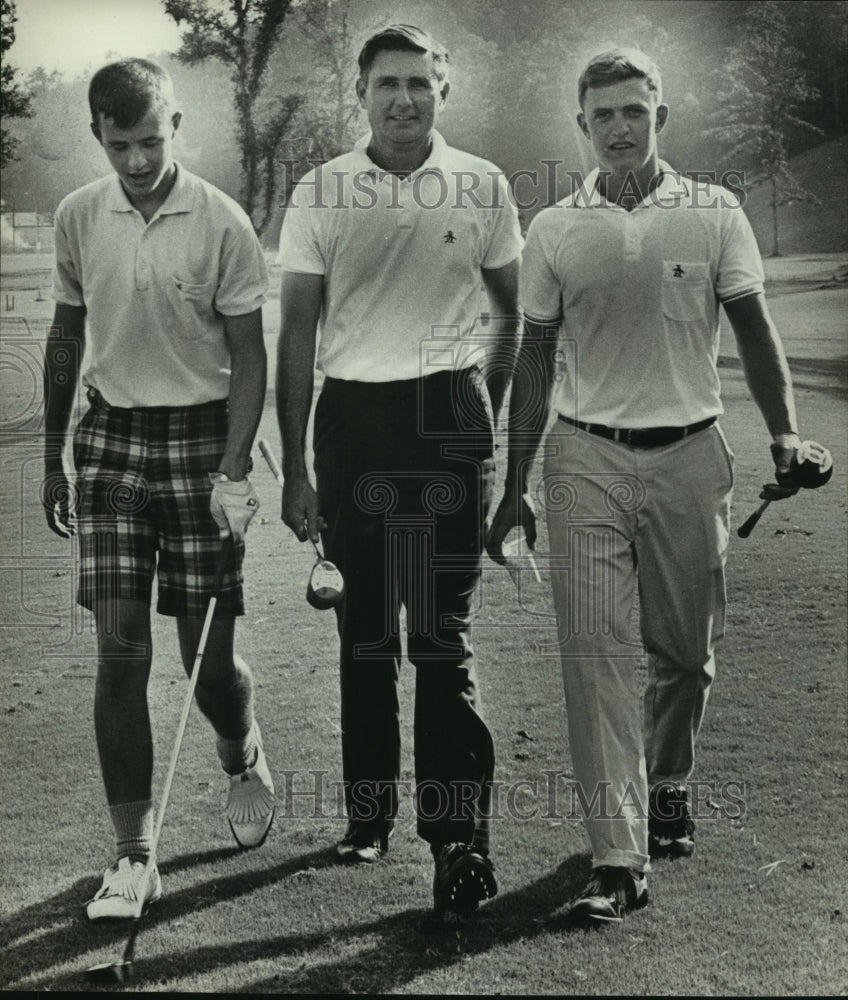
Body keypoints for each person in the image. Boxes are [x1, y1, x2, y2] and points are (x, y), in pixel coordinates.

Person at [486, 48, 831, 927]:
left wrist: (787, 432)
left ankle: (667, 780)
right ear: (582, 127)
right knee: (593, 659)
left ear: (660, 117)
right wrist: (512, 479)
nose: (620, 127)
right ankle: (618, 857)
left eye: (634, 111)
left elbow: (754, 328)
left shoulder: (714, 212)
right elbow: (532, 362)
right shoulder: (556, 228)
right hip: (584, 459)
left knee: (684, 655)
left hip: (690, 454)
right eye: (602, 115)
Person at [275, 24, 522, 916]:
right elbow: (297, 335)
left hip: (448, 416)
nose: (405, 98)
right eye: (388, 83)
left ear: (442, 91)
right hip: (352, 421)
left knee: (440, 638)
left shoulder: (484, 182)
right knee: (366, 632)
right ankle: (368, 816)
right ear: (361, 91)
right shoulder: (320, 189)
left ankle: (456, 840)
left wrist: (475, 406)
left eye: (420, 82)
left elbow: (511, 316)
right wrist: (299, 467)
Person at [42, 58, 276, 921]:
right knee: (121, 653)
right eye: (119, 143)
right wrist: (48, 457)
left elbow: (249, 356)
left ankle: (239, 746)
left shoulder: (221, 221)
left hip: (203, 439)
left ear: (176, 126)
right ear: (96, 135)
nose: (137, 160)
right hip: (111, 442)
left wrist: (237, 466)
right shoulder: (77, 216)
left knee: (204, 662)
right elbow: (68, 334)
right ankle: (133, 854)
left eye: (151, 140)